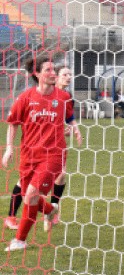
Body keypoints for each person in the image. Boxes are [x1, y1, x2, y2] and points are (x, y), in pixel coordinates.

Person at [2, 56, 79, 251]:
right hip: (28, 156)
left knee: (31, 194)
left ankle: (20, 240)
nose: (53, 73)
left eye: (54, 70)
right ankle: (49, 210)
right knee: (32, 197)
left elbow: (69, 116)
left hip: (53, 154)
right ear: (37, 74)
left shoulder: (63, 97)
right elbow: (13, 123)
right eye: (48, 70)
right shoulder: (26, 97)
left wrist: (73, 128)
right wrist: (9, 148)